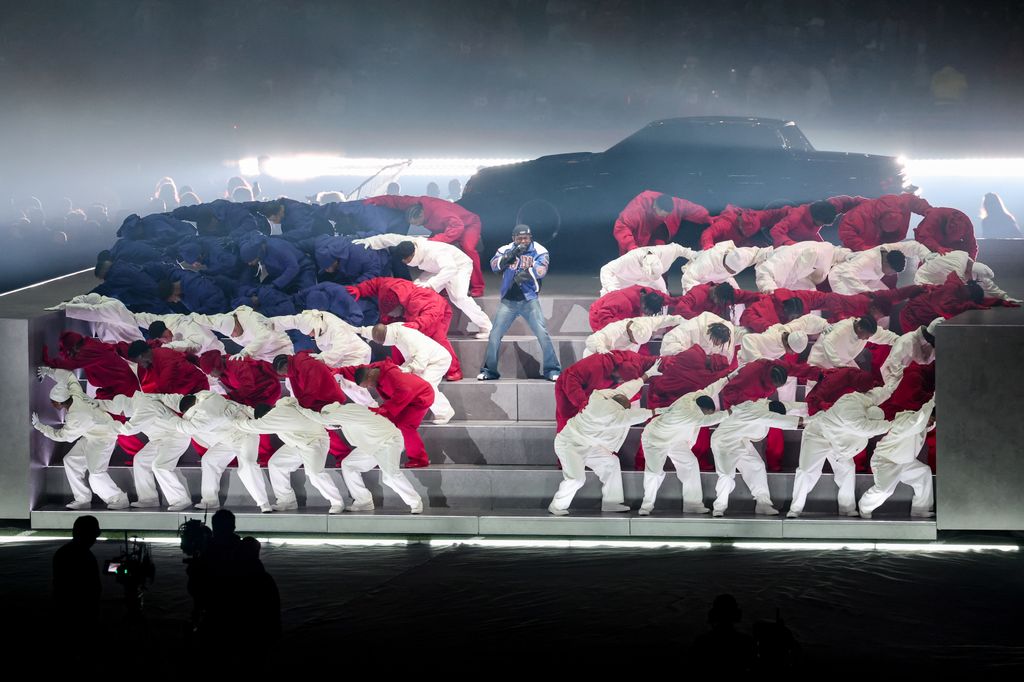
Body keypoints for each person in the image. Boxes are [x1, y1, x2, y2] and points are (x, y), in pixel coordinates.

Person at [549, 371, 659, 515]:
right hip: (570, 445)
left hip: (590, 445)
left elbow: (629, 388)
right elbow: (636, 416)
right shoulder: (611, 415)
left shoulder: (605, 398)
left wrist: (648, 374)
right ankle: (557, 505)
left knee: (611, 462)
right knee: (576, 479)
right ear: (620, 408)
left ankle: (611, 502)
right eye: (625, 410)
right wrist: (662, 410)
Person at [354, 233, 493, 337]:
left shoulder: (435, 252)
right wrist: (370, 241)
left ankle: (486, 326)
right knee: (416, 288)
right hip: (436, 269)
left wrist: (432, 284)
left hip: (458, 266)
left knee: (459, 297)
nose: (405, 263)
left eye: (406, 261)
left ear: (412, 254)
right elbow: (390, 238)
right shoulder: (409, 243)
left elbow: (450, 269)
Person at [788, 385, 894, 518]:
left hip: (837, 442)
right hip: (817, 435)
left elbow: (877, 395)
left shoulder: (862, 405)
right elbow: (875, 428)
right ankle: (795, 508)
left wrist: (890, 387)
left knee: (848, 468)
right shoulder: (856, 420)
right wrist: (899, 423)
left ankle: (847, 508)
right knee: (805, 471)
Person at [298, 401, 424, 513]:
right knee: (349, 464)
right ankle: (364, 501)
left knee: (390, 476)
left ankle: (415, 502)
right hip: (373, 445)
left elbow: (321, 419)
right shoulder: (346, 416)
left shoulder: (346, 411)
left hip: (388, 442)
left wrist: (299, 409)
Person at [33, 368, 130, 510]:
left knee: (96, 474)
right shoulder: (75, 393)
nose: (52, 404)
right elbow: (69, 376)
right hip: (92, 435)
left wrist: (41, 427)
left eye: (52, 402)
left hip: (104, 439)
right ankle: (83, 499)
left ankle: (119, 499)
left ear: (59, 403)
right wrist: (49, 371)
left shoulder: (76, 416)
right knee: (71, 460)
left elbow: (64, 436)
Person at [477, 225, 560, 381]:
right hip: (508, 301)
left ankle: (552, 370)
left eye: (526, 238)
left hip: (529, 300)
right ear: (513, 238)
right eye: (520, 238)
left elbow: (542, 270)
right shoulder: (505, 249)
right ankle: (490, 371)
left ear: (531, 237)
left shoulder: (540, 250)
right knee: (494, 335)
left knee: (542, 334)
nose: (523, 241)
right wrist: (508, 257)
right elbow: (494, 266)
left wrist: (528, 273)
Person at [233, 399, 346, 512]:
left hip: (313, 442)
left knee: (315, 473)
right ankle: (287, 501)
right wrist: (240, 407)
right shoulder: (276, 412)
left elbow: (254, 426)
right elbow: (255, 415)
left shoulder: (277, 415)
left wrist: (233, 421)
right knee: (276, 464)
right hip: (296, 443)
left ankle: (337, 502)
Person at [639, 376, 728, 515]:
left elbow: (711, 389)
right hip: (655, 439)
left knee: (691, 463)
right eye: (708, 413)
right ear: (702, 410)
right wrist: (730, 412)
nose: (709, 414)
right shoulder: (689, 414)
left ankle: (692, 504)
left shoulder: (694, 396)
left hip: (676, 439)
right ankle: (646, 506)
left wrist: (728, 378)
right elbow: (709, 420)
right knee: (654, 473)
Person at [365, 194, 486, 296]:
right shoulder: (414, 203)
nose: (417, 226)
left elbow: (457, 226)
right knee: (431, 253)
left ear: (422, 214)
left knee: (469, 248)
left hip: (468, 224)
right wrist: (378, 200)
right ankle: (443, 285)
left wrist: (437, 240)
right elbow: (396, 200)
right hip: (444, 228)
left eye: (419, 224)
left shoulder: (439, 212)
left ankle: (478, 287)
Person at [348, 276, 462, 380]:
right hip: (411, 316)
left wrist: (418, 324)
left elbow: (433, 313)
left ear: (399, 306)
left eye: (393, 313)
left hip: (437, 314)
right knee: (395, 338)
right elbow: (376, 283)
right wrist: (360, 289)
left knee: (438, 339)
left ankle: (454, 370)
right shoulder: (388, 286)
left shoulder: (420, 299)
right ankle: (400, 371)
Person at [174, 392, 271, 513]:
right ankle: (210, 501)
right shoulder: (199, 410)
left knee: (247, 465)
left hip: (245, 434)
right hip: (225, 441)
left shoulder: (209, 404)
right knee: (209, 460)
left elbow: (242, 408)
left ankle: (263, 503)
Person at [99, 391, 194, 511]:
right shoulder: (138, 404)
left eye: (122, 412)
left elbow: (129, 429)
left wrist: (110, 426)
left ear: (126, 405)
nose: (123, 414)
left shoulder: (145, 406)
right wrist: (95, 403)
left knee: (160, 466)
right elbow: (108, 405)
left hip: (175, 438)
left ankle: (181, 499)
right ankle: (148, 499)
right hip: (159, 440)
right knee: (141, 459)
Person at [711, 399, 804, 516]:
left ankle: (763, 504)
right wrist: (807, 420)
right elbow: (778, 420)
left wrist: (814, 409)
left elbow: (790, 405)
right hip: (724, 442)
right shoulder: (757, 412)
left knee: (757, 466)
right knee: (726, 475)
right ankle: (719, 507)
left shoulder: (766, 404)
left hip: (741, 441)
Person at [358, 322, 454, 424]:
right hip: (422, 360)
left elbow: (422, 355)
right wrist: (359, 330)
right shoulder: (394, 331)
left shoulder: (406, 336)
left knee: (427, 386)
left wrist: (410, 368)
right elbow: (373, 332)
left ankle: (445, 412)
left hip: (437, 360)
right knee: (410, 383)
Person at [858, 399, 935, 518]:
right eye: (930, 418)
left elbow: (922, 425)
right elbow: (917, 422)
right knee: (885, 490)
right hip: (885, 461)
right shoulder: (905, 422)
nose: (930, 422)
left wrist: (930, 420)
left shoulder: (919, 424)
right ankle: (864, 506)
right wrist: (932, 402)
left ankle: (920, 509)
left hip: (904, 461)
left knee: (923, 472)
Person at [353, 360, 435, 468]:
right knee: (387, 423)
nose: (370, 387)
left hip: (421, 397)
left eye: (367, 385)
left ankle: (420, 459)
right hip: (408, 398)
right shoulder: (377, 376)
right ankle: (381, 457)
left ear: (370, 375)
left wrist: (384, 410)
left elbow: (406, 391)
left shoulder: (391, 375)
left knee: (405, 426)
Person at [554, 351, 657, 430]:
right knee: (567, 422)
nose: (620, 381)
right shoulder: (596, 364)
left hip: (589, 396)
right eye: (621, 378)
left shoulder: (618, 373)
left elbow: (630, 387)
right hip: (567, 390)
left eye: (623, 380)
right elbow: (571, 377)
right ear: (617, 370)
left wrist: (648, 375)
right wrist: (583, 404)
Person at [613, 191, 710, 254]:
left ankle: (660, 285)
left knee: (660, 261)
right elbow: (621, 226)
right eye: (662, 215)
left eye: (667, 215)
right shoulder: (639, 207)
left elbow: (690, 209)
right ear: (655, 207)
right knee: (632, 269)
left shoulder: (675, 204)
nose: (665, 217)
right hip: (634, 239)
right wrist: (631, 246)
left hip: (657, 236)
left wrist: (707, 218)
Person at [270, 309, 371, 368]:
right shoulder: (309, 318)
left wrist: (321, 358)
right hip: (336, 358)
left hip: (357, 355)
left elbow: (339, 350)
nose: (310, 336)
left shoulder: (336, 328)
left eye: (311, 332)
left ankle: (371, 405)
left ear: (316, 327)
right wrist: (268, 323)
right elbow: (291, 320)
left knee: (349, 385)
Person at [52, 515, 102, 631]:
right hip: (82, 612)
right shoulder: (86, 556)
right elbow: (92, 587)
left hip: (64, 609)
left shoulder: (62, 552)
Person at [191, 306, 295, 361]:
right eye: (231, 335)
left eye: (234, 332)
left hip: (279, 347)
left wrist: (245, 352)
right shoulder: (222, 322)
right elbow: (206, 320)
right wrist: (189, 318)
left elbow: (265, 335)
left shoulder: (251, 319)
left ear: (237, 323)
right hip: (259, 355)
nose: (234, 336)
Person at [913, 249, 1019, 302]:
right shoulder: (957, 271)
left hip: (936, 274)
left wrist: (1005, 297)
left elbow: (987, 283)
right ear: (969, 271)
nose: (971, 280)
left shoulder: (966, 259)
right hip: (923, 279)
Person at [826, 242, 930, 295]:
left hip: (866, 279)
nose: (892, 275)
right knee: (856, 304)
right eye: (892, 272)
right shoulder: (867, 259)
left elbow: (913, 245)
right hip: (840, 277)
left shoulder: (889, 249)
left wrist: (927, 255)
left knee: (884, 298)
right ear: (886, 263)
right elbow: (847, 273)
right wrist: (867, 293)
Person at [837, 193, 932, 251]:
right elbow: (847, 234)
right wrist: (868, 249)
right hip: (859, 249)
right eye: (886, 227)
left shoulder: (903, 203)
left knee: (888, 271)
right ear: (879, 220)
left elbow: (915, 202)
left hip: (883, 244)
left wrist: (929, 212)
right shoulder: (857, 216)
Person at [754, 241, 852, 292]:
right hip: (778, 282)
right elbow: (765, 272)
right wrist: (769, 289)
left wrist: (849, 256)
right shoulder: (789, 256)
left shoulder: (824, 251)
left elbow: (837, 253)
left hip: (797, 282)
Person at [768, 196, 867, 246]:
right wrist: (790, 244)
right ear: (816, 217)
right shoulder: (796, 216)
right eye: (822, 223)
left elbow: (811, 234)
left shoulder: (820, 215)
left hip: (801, 246)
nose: (822, 225)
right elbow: (776, 230)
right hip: (784, 249)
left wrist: (824, 247)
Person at [806, 316, 898, 369]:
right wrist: (840, 366)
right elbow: (827, 342)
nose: (867, 338)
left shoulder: (866, 328)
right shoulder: (843, 328)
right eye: (866, 336)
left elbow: (885, 335)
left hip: (843, 362)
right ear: (859, 328)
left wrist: (901, 340)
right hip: (820, 363)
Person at [679, 240, 771, 293]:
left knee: (737, 294)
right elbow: (687, 278)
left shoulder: (744, 255)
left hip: (723, 277)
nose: (731, 272)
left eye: (733, 272)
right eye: (729, 270)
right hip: (699, 278)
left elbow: (761, 253)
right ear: (725, 264)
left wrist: (777, 252)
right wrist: (706, 294)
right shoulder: (706, 263)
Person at [599, 243, 691, 295]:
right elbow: (605, 269)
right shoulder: (629, 259)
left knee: (663, 293)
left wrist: (693, 254)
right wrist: (612, 289)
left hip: (650, 278)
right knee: (608, 295)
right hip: (623, 279)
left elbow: (678, 248)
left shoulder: (661, 252)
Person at [125, 340, 210, 394]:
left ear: (141, 356)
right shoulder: (155, 358)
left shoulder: (164, 358)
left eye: (137, 362)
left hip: (197, 389)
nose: (140, 365)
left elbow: (165, 387)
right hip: (188, 389)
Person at [584, 314, 682, 356]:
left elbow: (665, 320)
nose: (634, 343)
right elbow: (592, 340)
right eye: (633, 341)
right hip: (596, 354)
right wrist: (601, 349)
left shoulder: (646, 323)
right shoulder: (614, 329)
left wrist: (681, 320)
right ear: (630, 332)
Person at [699, 204, 790, 249]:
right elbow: (708, 233)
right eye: (743, 232)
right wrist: (708, 245)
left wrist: (788, 212)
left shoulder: (755, 217)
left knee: (764, 247)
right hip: (716, 248)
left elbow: (772, 215)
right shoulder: (725, 224)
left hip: (740, 245)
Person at [670, 281, 761, 325]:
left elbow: (746, 295)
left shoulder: (726, 293)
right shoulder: (697, 294)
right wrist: (702, 320)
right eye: (721, 302)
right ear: (715, 295)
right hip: (685, 325)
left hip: (709, 327)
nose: (723, 304)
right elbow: (680, 308)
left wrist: (766, 297)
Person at [589, 285, 670, 331]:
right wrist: (626, 328)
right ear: (645, 306)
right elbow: (603, 315)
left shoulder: (646, 293)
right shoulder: (622, 301)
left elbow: (663, 298)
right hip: (598, 319)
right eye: (647, 312)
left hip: (621, 317)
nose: (647, 315)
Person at [659, 311, 735, 359]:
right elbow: (669, 341)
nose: (717, 344)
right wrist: (692, 356)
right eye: (716, 341)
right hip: (684, 359)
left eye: (719, 343)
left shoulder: (727, 334)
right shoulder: (693, 327)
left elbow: (726, 357)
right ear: (710, 333)